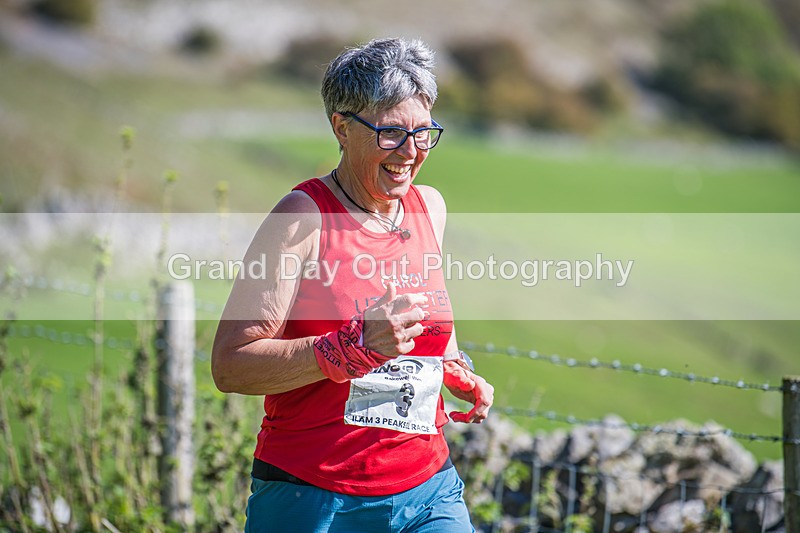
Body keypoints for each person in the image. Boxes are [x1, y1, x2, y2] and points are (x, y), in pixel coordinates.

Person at [212, 37, 494, 533]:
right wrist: (352, 347)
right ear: (342, 127)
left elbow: (425, 321)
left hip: (427, 489)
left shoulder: (429, 207)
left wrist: (453, 366)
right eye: (390, 133)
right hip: (313, 494)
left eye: (423, 133)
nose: (410, 152)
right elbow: (231, 366)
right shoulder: (302, 217)